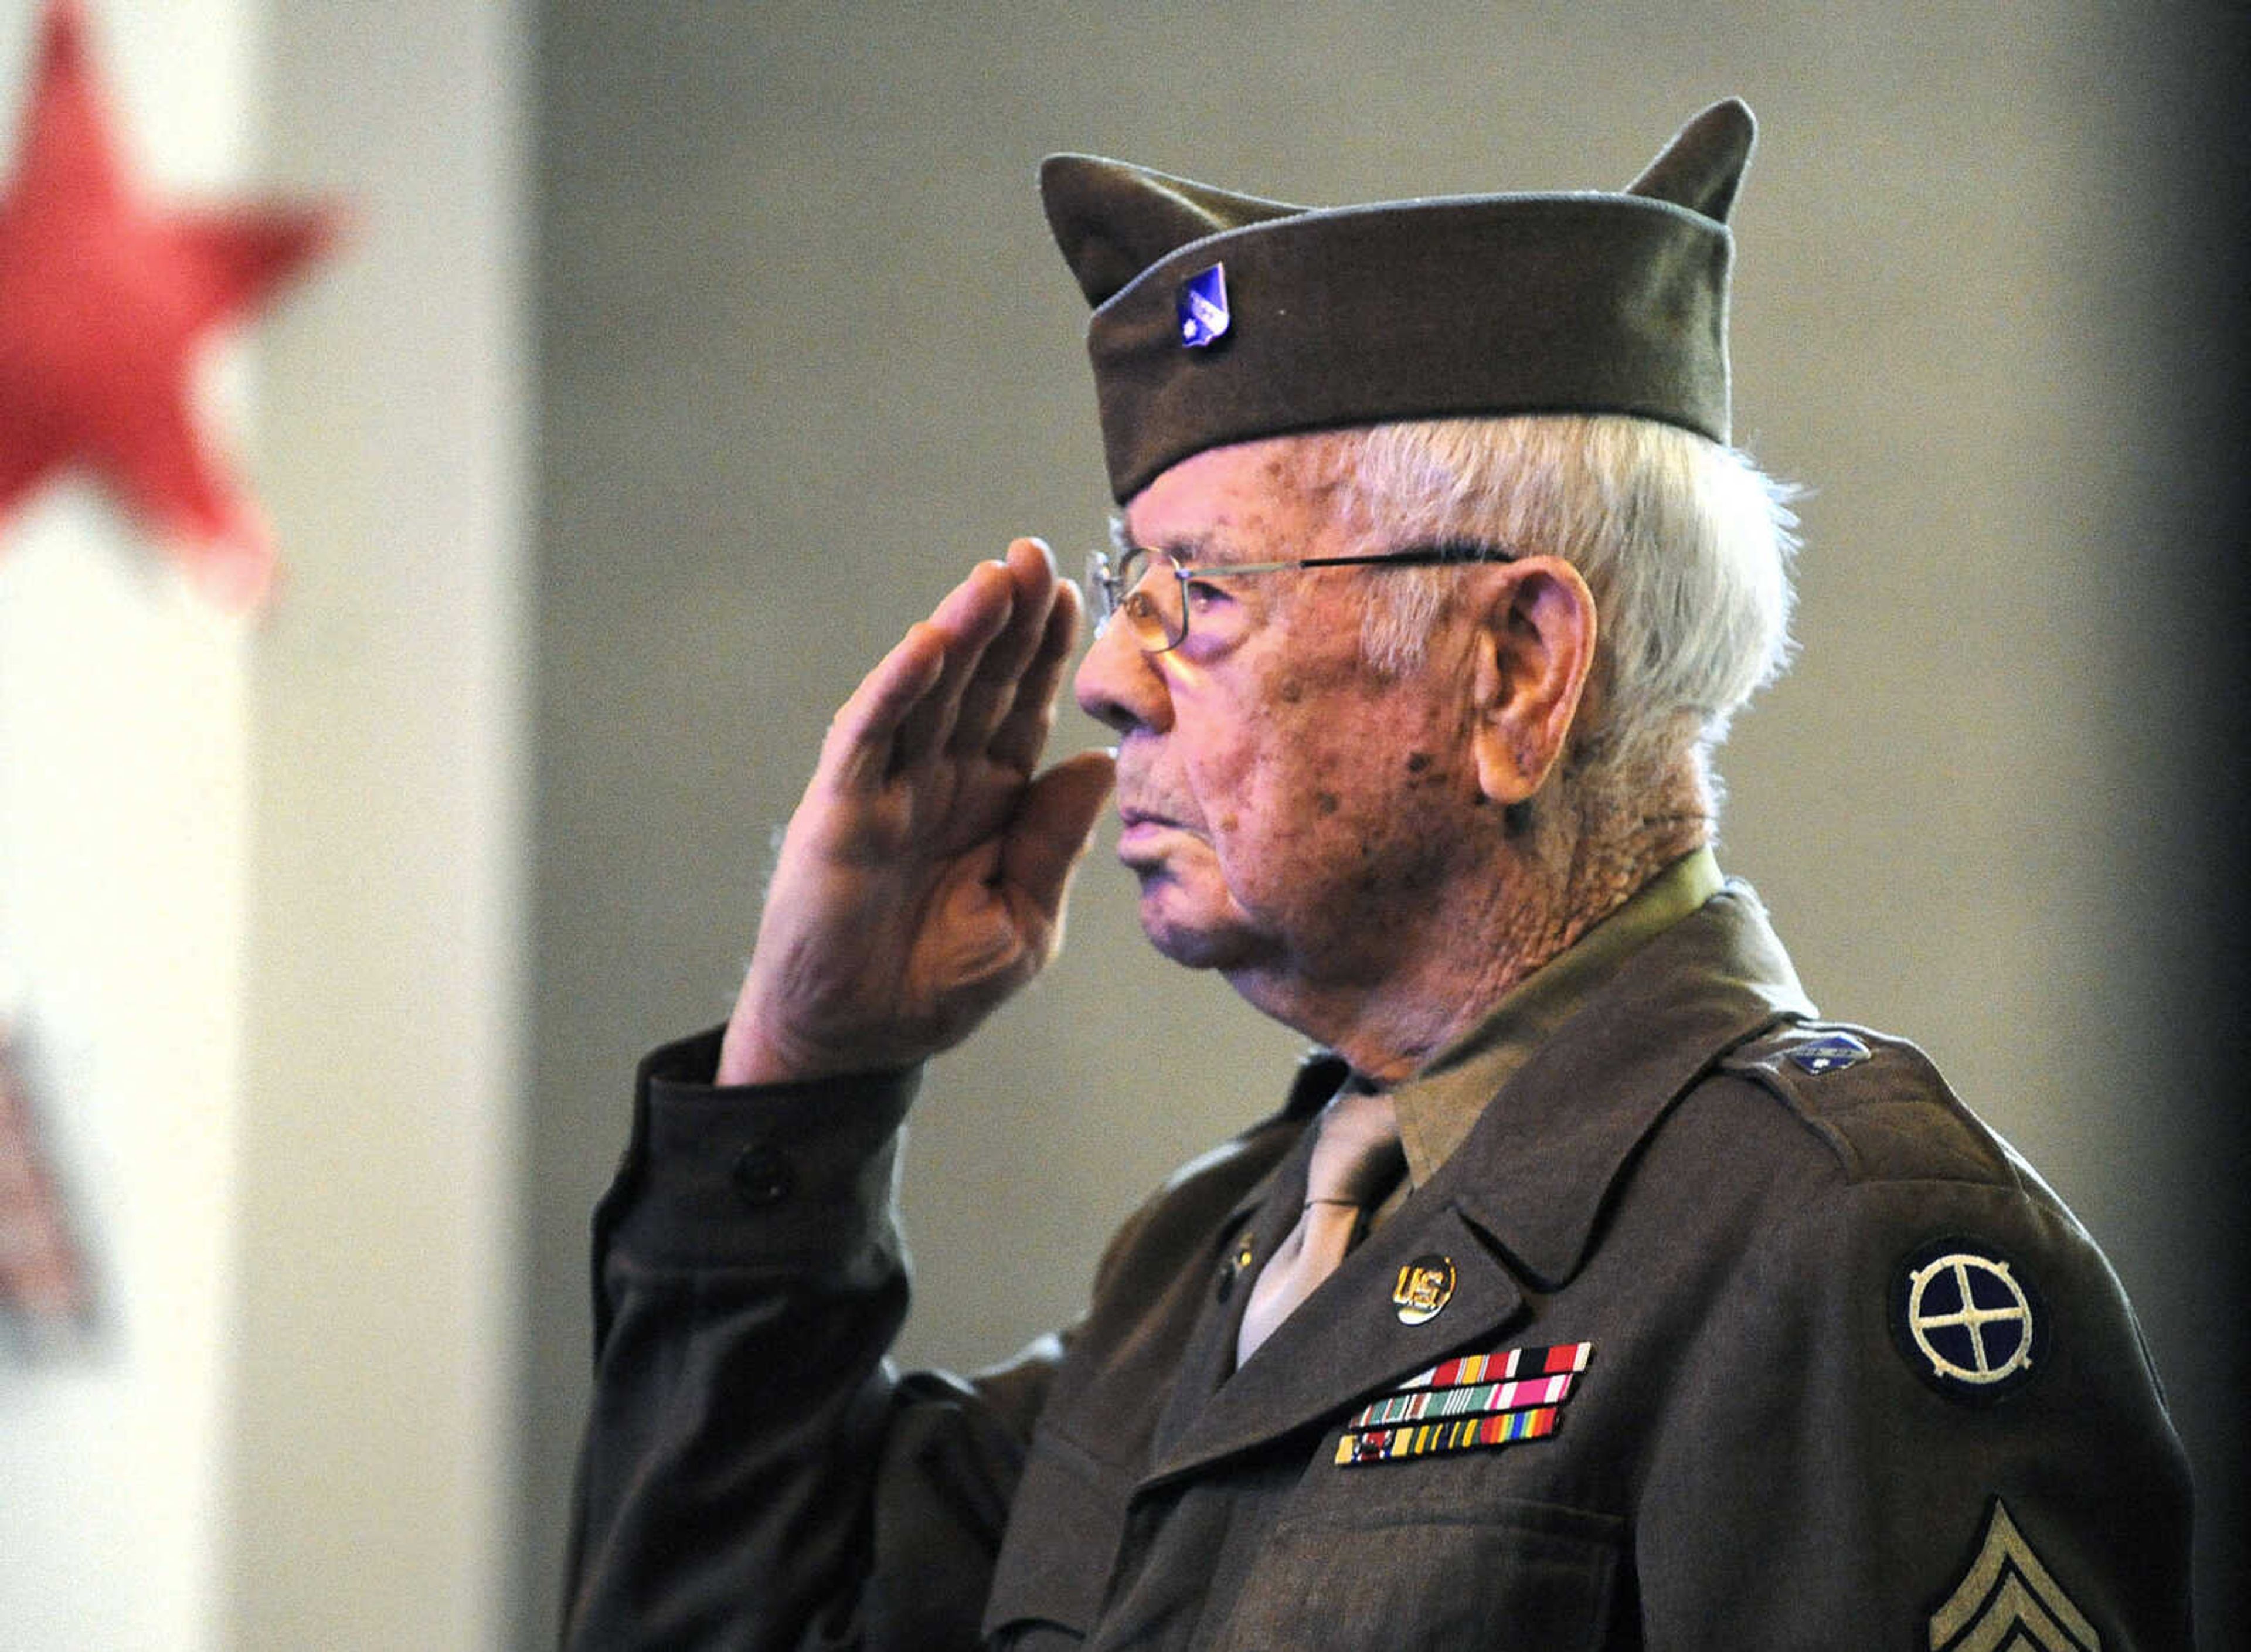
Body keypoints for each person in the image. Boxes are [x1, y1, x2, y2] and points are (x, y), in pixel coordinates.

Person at [562, 100, 2194, 1649]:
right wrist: (802, 1061)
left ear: (1515, 670)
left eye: (1197, 591)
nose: (1111, 681)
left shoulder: (1838, 1241)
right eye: (1130, 582)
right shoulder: (1207, 1258)